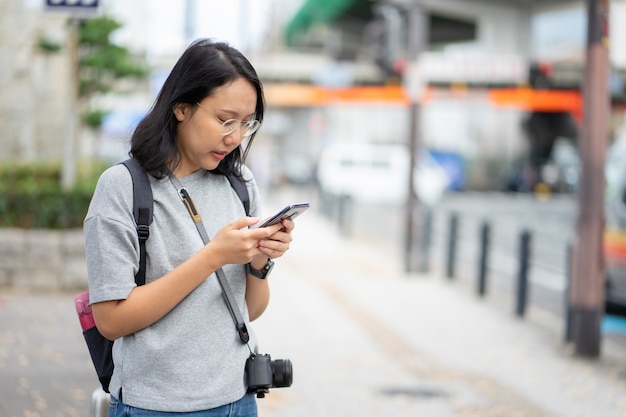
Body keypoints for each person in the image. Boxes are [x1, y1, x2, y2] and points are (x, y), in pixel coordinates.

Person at [84, 39, 295, 417]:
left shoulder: (240, 183)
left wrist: (259, 263)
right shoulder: (123, 188)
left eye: (246, 123)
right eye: (224, 120)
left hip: (238, 399)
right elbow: (111, 320)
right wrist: (214, 256)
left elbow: (251, 309)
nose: (235, 138)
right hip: (156, 407)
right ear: (181, 107)